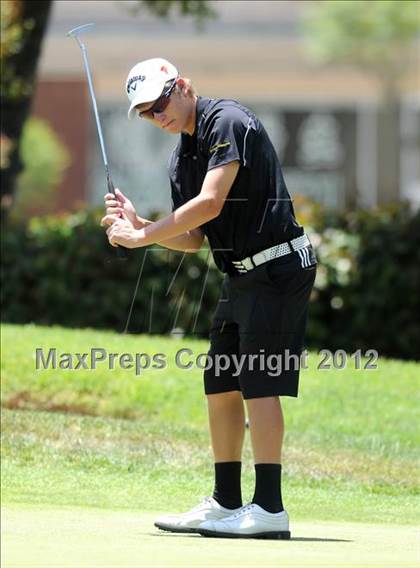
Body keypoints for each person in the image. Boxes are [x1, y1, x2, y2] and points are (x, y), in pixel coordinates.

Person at [101, 58, 317, 539]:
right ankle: (225, 501)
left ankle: (269, 508)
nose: (158, 117)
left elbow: (211, 201)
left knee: (258, 383)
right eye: (146, 113)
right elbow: (194, 235)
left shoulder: (228, 121)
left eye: (160, 103)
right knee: (220, 383)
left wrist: (141, 237)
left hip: (279, 265)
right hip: (241, 275)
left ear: (183, 87)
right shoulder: (182, 156)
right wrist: (140, 227)